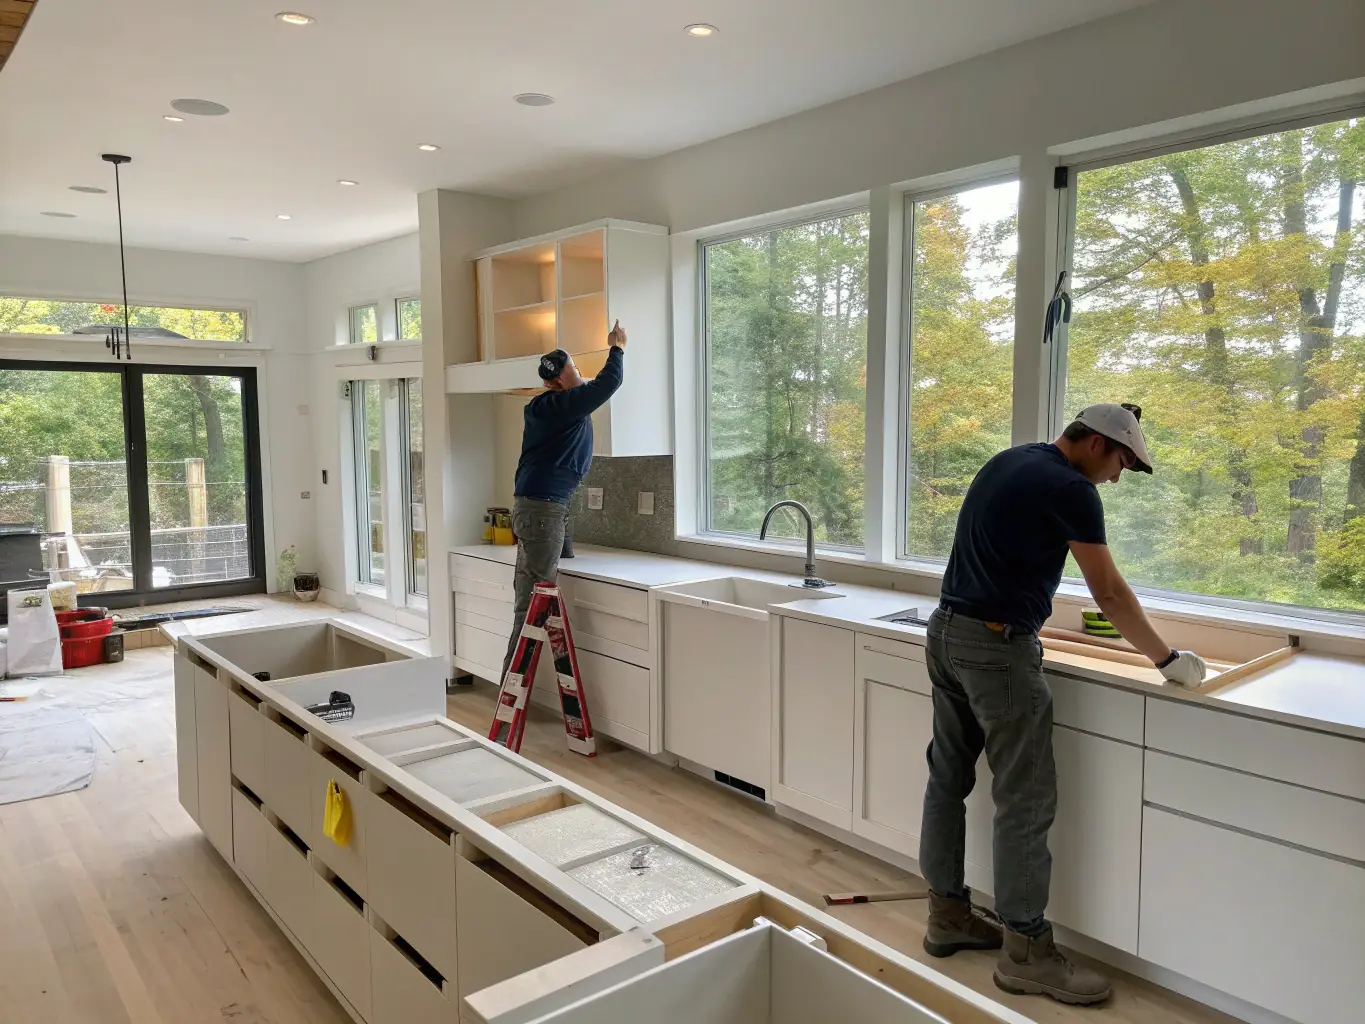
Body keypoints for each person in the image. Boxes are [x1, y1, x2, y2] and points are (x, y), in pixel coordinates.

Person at [918, 403, 1206, 1006]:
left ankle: (946, 917)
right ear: (1098, 444)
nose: (1118, 478)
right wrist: (1166, 659)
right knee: (1024, 799)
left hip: (946, 631)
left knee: (947, 778)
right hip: (997, 647)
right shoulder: (1072, 488)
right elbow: (1110, 592)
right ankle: (1026, 953)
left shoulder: (1011, 461)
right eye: (1123, 462)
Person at [501, 321, 627, 680]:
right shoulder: (562, 405)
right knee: (531, 610)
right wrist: (616, 347)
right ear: (559, 378)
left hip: (539, 510)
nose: (580, 374)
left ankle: (507, 694)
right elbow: (608, 384)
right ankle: (510, 705)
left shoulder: (549, 405)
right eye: (575, 369)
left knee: (526, 604)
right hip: (543, 512)